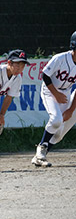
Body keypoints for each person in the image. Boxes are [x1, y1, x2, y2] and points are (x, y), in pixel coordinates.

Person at [31, 31, 76, 167]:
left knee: (59, 134)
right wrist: (55, 94)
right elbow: (45, 75)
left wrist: (71, 110)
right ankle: (42, 148)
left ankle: (39, 157)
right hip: (50, 91)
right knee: (56, 119)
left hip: (66, 93)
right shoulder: (60, 58)